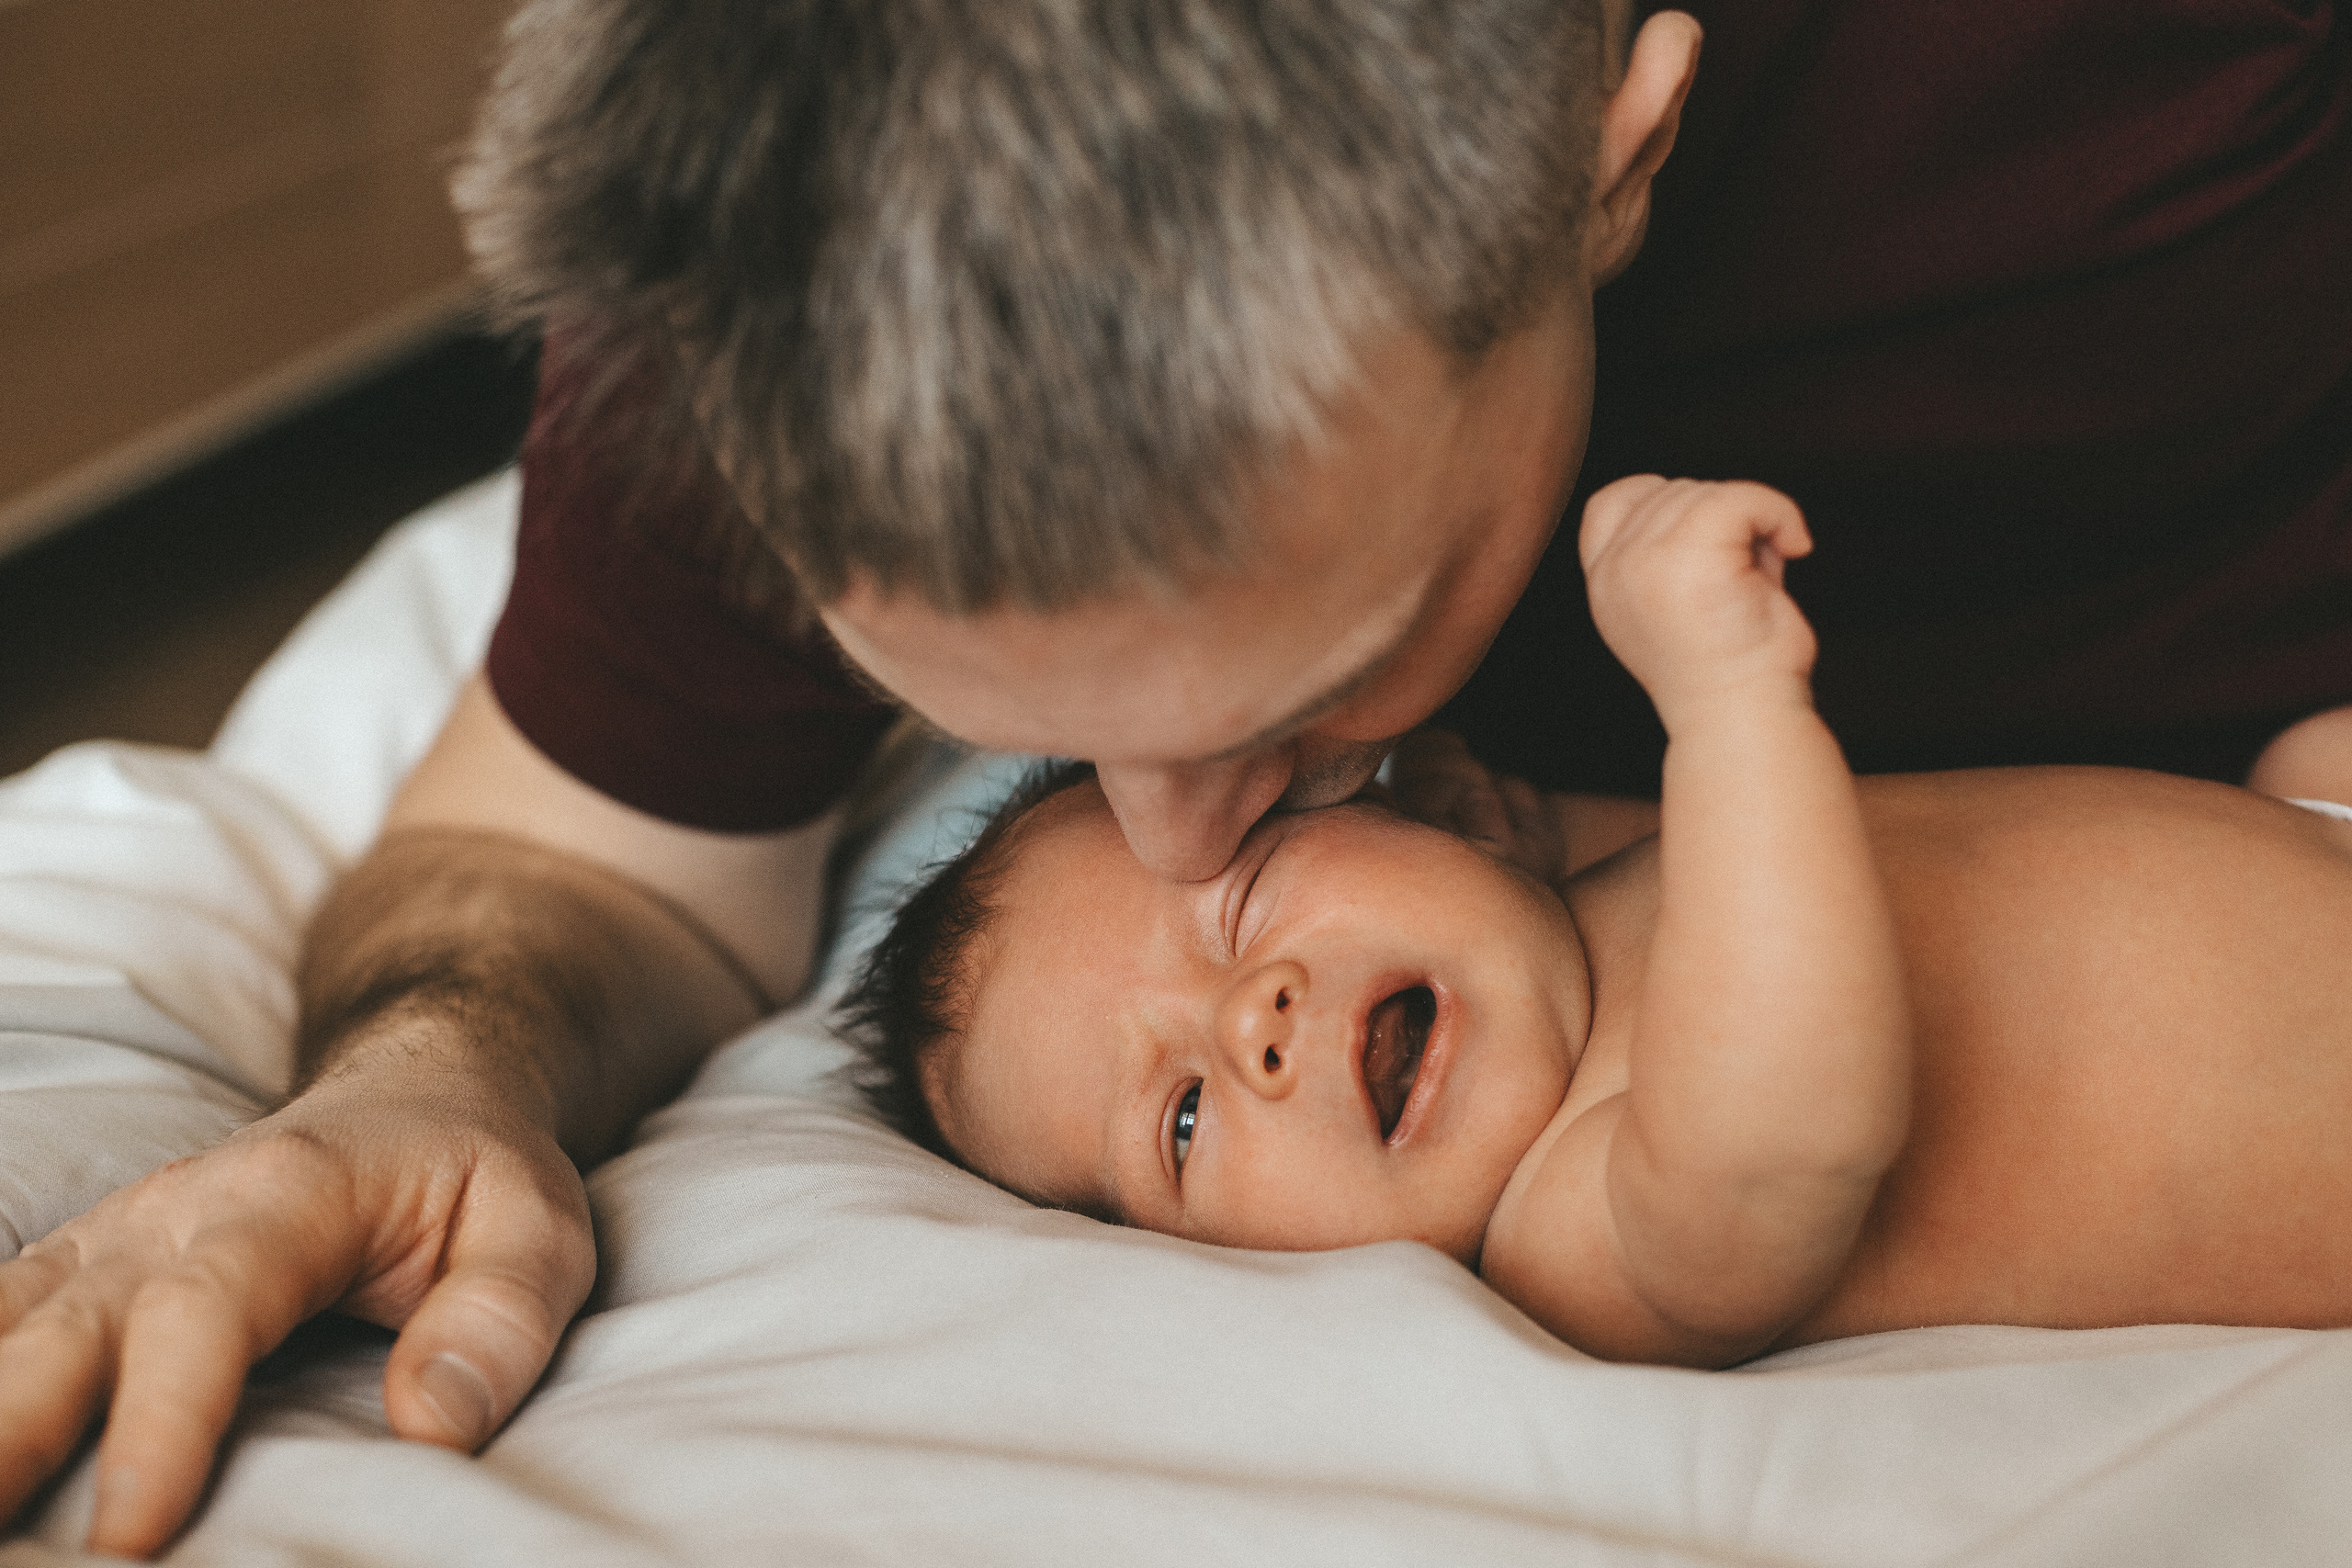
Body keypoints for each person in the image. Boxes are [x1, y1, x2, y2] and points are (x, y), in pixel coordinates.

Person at [3, 0, 2346, 1553]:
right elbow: (564, 843)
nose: (1172, 835)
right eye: (1031, 720)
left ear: (1612, 154)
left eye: (1303, 696)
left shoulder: (2119, 70)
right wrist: (419, 1079)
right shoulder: (791, 190)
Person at [846, 477, 2352, 1363]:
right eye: (1177, 1124)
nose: (1252, 1021)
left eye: (1240, 904)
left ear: (1449, 809)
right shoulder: (1581, 1224)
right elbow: (1792, 1138)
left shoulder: (1568, 907)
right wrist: (1725, 696)